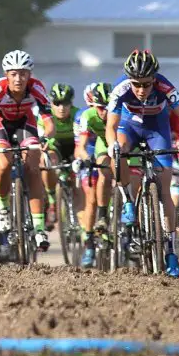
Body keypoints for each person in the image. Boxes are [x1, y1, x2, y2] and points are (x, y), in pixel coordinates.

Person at [105, 49, 179, 278]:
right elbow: (111, 127)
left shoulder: (165, 86)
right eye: (137, 84)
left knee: (165, 189)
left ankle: (171, 250)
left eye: (147, 84)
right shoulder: (121, 88)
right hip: (129, 126)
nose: (142, 90)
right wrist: (112, 144)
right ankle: (127, 200)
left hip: (157, 128)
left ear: (154, 79)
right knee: (118, 152)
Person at [0, 50, 55, 252]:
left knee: (33, 167)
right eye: (13, 74)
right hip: (0, 124)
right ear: (6, 74)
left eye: (23, 73)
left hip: (25, 124)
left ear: (29, 75)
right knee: (3, 164)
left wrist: (45, 137)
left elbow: (48, 121)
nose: (18, 79)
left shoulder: (37, 87)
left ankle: (39, 228)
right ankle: (3, 207)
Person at [73, 82, 114, 268]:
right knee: (91, 197)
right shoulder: (83, 116)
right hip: (91, 152)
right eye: (98, 107)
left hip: (109, 146)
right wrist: (86, 158)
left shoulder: (118, 113)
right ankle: (89, 242)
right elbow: (79, 147)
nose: (103, 112)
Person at [39, 84, 80, 226]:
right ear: (51, 103)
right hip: (55, 147)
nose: (61, 108)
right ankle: (51, 200)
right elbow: (42, 142)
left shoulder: (78, 115)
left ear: (71, 103)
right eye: (57, 103)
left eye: (66, 103)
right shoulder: (45, 117)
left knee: (79, 175)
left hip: (74, 147)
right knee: (46, 161)